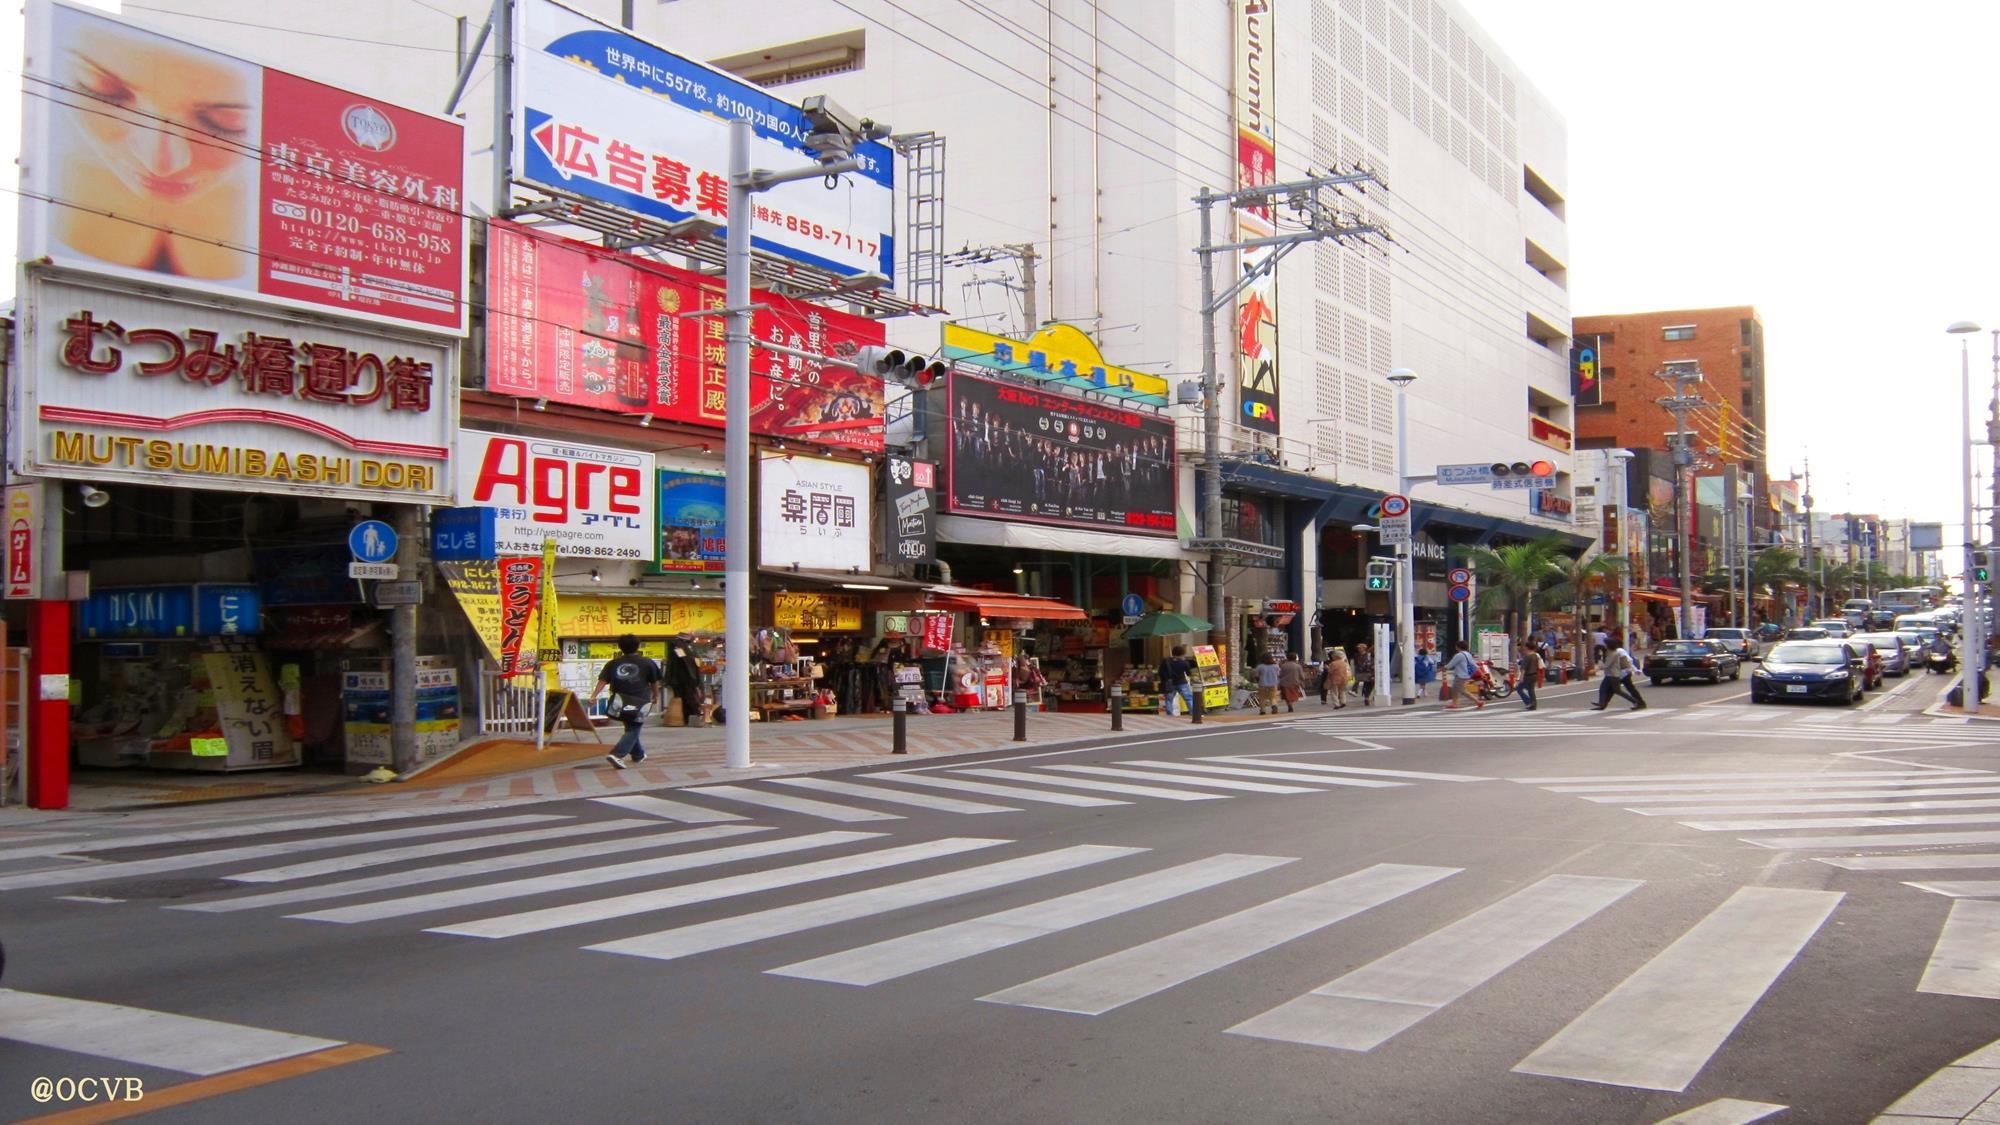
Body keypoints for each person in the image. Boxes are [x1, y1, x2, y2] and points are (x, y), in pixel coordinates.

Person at [51, 7, 261, 281]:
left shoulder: (266, 215)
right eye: (103, 90)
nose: (159, 164)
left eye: (225, 122)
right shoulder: (53, 183)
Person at [593, 634, 662, 768]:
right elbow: (654, 681)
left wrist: (594, 695)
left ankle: (638, 754)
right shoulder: (647, 662)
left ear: (620, 647)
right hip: (640, 699)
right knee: (635, 727)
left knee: (630, 726)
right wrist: (656, 695)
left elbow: (602, 680)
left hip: (620, 700)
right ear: (638, 646)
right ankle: (618, 754)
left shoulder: (613, 663)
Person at [1591, 633, 1647, 711]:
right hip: (1618, 673)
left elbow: (1628, 661)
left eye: (1606, 644)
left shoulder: (1618, 651)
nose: (1604, 645)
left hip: (1623, 674)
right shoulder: (1610, 651)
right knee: (1611, 689)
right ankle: (1602, 703)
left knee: (1619, 689)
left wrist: (1635, 670)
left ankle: (1639, 702)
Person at [1442, 640, 1483, 710]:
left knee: (1462, 690)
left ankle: (1478, 701)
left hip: (1461, 675)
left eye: (1456, 646)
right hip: (1465, 674)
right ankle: (1454, 703)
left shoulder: (1459, 655)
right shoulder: (1468, 654)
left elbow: (1451, 665)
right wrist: (1481, 671)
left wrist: (1443, 668)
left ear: (1458, 647)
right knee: (1454, 689)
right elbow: (1473, 664)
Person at [1159, 645, 1194, 716]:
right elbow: (1188, 673)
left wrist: (1164, 679)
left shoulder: (1166, 661)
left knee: (1169, 700)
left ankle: (1169, 714)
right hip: (1182, 683)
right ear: (1182, 654)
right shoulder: (1184, 663)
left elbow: (1160, 671)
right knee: (1188, 698)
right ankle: (1193, 712)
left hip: (1170, 683)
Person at [1517, 637, 1543, 711]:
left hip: (1528, 675)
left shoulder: (1527, 656)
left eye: (1525, 646)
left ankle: (1528, 702)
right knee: (1531, 690)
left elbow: (1523, 668)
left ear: (1527, 647)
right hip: (1534, 674)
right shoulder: (1535, 655)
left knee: (1519, 689)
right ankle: (1533, 704)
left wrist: (1521, 677)